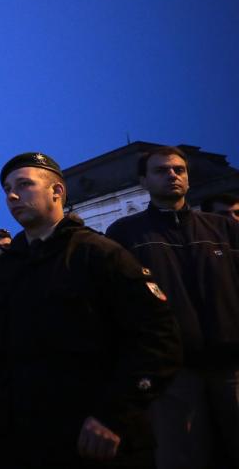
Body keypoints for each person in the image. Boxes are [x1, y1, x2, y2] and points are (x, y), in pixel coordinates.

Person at [0, 152, 182, 468]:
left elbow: (159, 340)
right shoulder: (2, 270)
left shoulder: (101, 254)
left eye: (24, 184)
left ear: (57, 192)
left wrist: (113, 415)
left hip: (90, 436)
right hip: (20, 436)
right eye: (7, 188)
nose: (11, 195)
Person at [106, 146, 239, 469]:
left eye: (179, 169)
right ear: (143, 181)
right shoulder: (125, 233)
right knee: (181, 456)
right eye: (161, 170)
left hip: (232, 364)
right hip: (170, 370)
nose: (172, 175)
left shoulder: (223, 230)